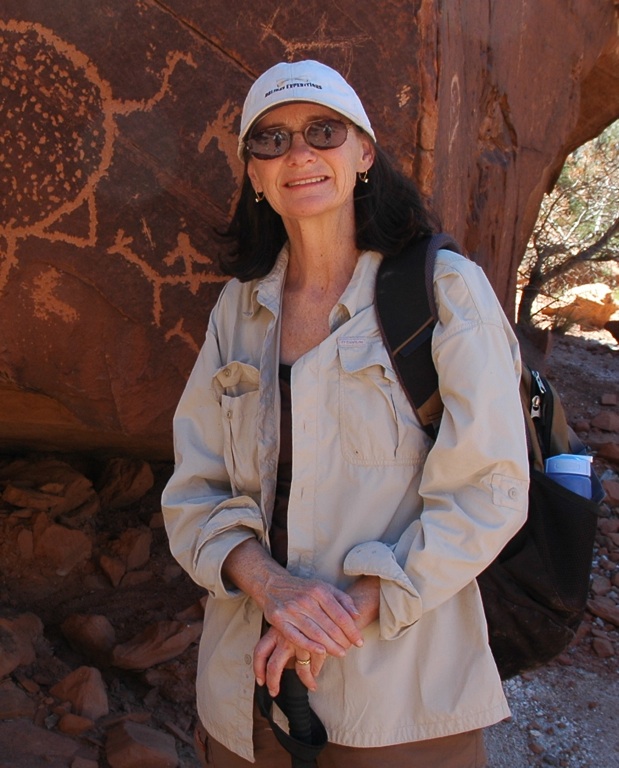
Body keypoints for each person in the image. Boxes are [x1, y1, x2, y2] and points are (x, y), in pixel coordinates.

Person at [161, 59, 529, 768]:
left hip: (398, 701)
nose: (297, 153)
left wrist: (341, 610)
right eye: (270, 140)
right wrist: (273, 587)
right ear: (254, 176)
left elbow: (488, 488)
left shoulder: (445, 292)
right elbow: (193, 490)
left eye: (322, 131)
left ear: (363, 154)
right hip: (248, 700)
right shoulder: (237, 313)